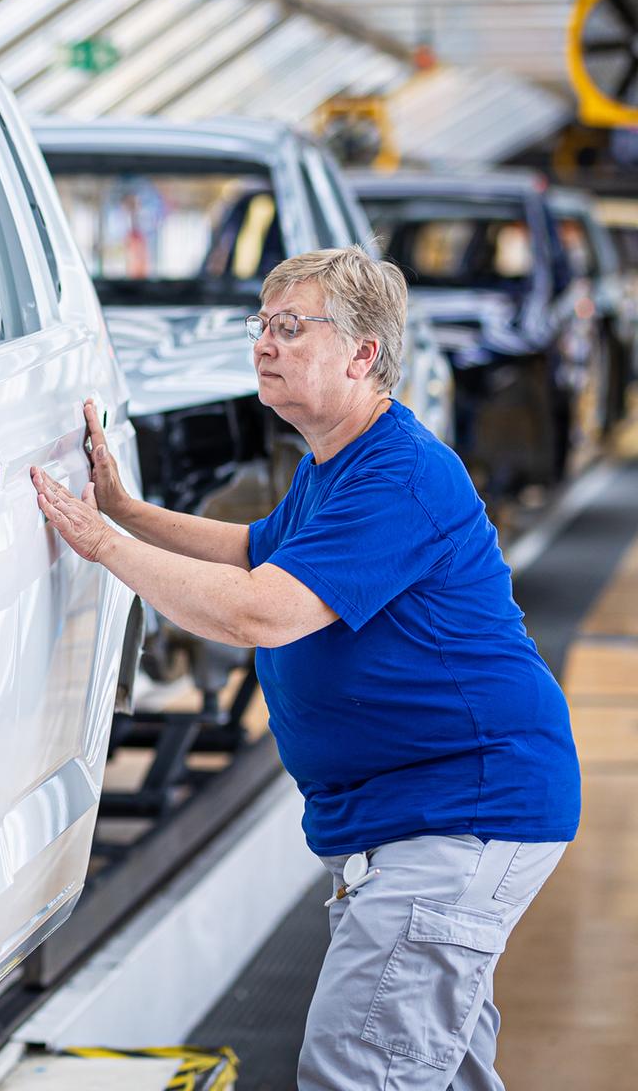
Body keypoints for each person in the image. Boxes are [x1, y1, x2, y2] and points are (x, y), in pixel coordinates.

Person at [30, 245, 580, 1091]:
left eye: (292, 328)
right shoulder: (337, 463)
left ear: (365, 354)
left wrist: (103, 547)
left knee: (357, 1070)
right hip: (423, 813)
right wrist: (130, 514)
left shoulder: (398, 474)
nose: (265, 344)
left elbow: (257, 609)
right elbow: (257, 552)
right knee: (432, 1070)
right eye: (262, 325)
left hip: (461, 811)